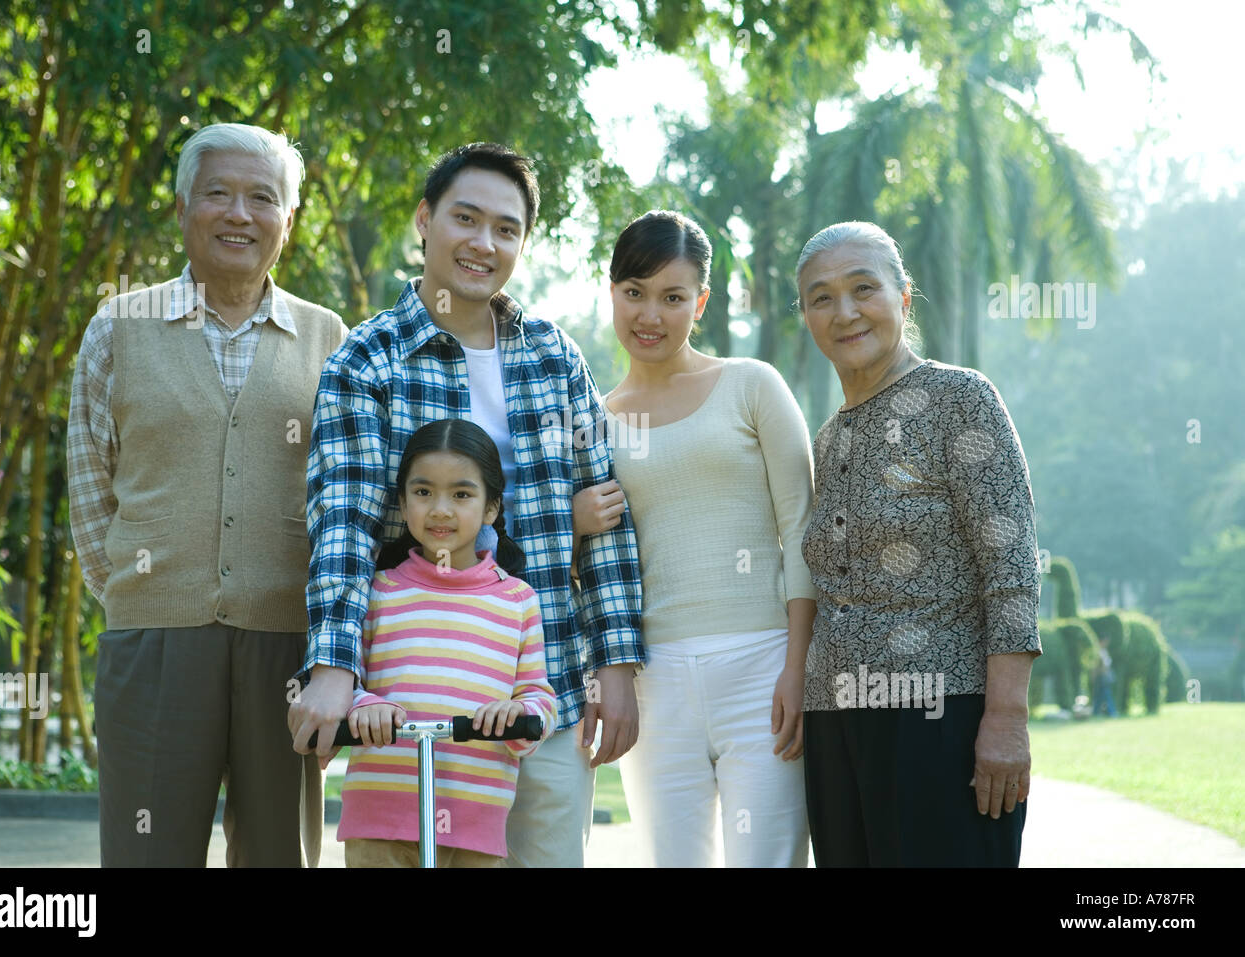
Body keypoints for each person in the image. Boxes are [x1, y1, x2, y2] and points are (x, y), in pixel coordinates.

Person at [287, 143, 643, 868]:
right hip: (415, 701)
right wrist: (333, 666)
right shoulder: (368, 359)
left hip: (541, 694)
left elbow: (606, 513)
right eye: (466, 218)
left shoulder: (553, 355)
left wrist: (617, 665)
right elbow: (343, 524)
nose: (485, 243)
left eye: (506, 229)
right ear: (425, 219)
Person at [67, 122, 348, 866]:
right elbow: (91, 491)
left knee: (279, 855)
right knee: (144, 854)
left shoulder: (329, 339)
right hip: (153, 643)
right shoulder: (118, 326)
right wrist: (143, 595)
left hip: (287, 645)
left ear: (288, 220)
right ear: (183, 205)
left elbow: (347, 500)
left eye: (262, 198)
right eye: (217, 193)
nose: (238, 213)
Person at [795, 220, 1042, 867]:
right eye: (821, 297)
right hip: (837, 719)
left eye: (862, 288)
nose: (844, 311)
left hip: (940, 714)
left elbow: (1010, 565)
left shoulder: (960, 399)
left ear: (904, 297)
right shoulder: (827, 439)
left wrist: (1007, 716)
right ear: (806, 315)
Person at [572, 210, 815, 867]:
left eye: (673, 297)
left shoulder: (752, 385)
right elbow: (574, 563)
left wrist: (798, 666)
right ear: (612, 291)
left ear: (700, 302)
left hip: (764, 668)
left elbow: (803, 528)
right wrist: (573, 521)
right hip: (653, 684)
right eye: (635, 292)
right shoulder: (594, 422)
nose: (651, 314)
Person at [339, 419, 558, 867]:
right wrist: (364, 705)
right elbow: (342, 680)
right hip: (380, 818)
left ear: (492, 508)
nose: (440, 509)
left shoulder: (517, 601)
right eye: (423, 493)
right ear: (402, 502)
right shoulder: (377, 591)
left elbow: (541, 700)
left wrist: (519, 713)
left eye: (461, 494)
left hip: (474, 822)